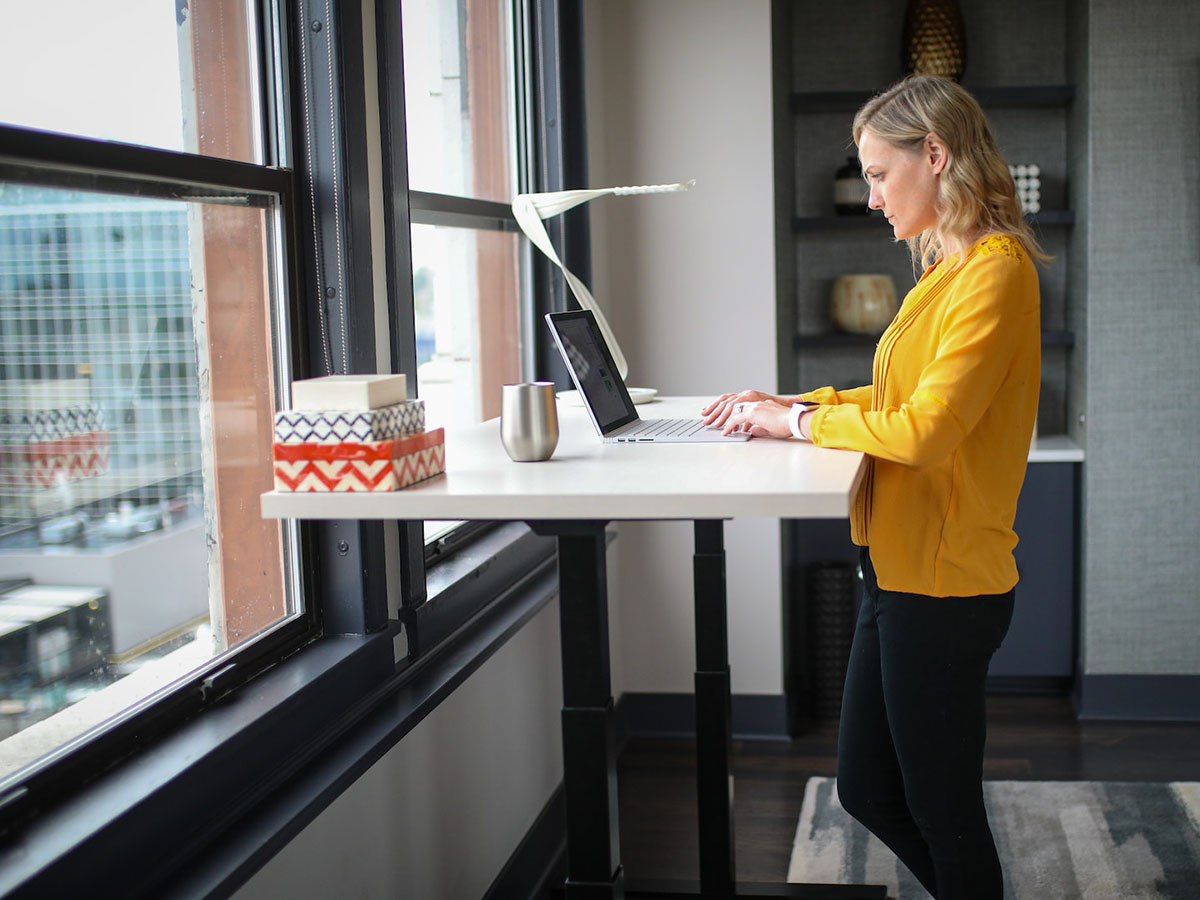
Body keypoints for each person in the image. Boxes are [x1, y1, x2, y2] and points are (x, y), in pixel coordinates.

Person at [701, 74, 1048, 899]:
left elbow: (926, 430)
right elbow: (899, 397)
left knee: (942, 808)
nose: (870, 197)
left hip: (944, 582)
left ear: (936, 153)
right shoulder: (946, 268)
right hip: (893, 568)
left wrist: (794, 427)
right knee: (867, 788)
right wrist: (795, 404)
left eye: (881, 173)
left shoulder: (995, 274)